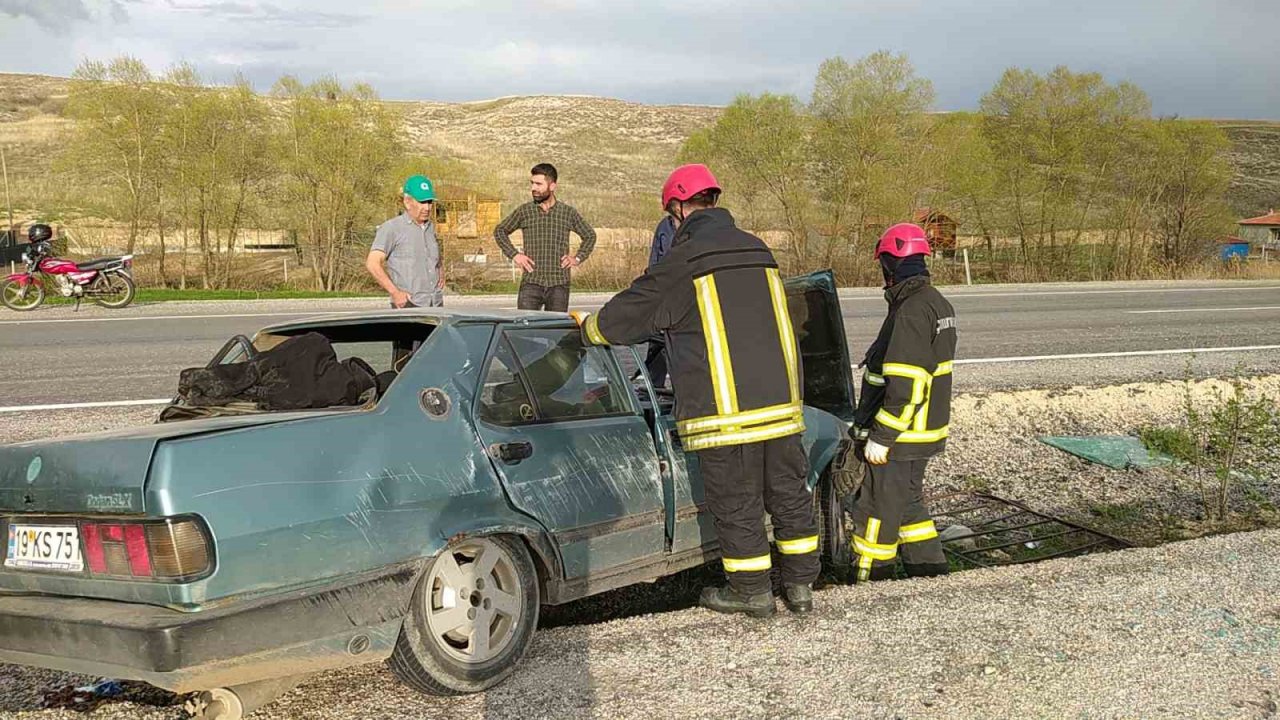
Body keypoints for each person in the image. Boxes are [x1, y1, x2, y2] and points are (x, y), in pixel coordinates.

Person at [575, 164, 819, 618]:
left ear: (678, 208)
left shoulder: (685, 261)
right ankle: (801, 587)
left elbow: (626, 317)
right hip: (783, 407)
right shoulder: (758, 249)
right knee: (789, 493)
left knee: (737, 500)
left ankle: (752, 593)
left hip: (726, 414)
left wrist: (587, 328)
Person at [845, 222, 957, 582]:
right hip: (922, 432)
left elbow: (907, 384)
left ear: (890, 264)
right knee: (909, 505)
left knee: (876, 512)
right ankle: (930, 575)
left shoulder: (910, 310)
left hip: (901, 437)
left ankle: (871, 583)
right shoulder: (934, 302)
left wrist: (881, 437)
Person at [493, 163, 597, 312]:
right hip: (531, 282)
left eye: (538, 184)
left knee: (554, 331)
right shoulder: (525, 211)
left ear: (552, 186)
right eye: (532, 183)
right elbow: (500, 230)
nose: (533, 188)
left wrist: (577, 258)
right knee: (525, 329)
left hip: (559, 284)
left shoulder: (567, 213)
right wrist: (514, 255)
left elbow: (590, 235)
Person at [367, 175, 445, 309]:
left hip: (435, 305)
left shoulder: (431, 228)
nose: (427, 208)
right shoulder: (391, 228)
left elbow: (434, 256)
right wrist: (394, 292)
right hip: (408, 306)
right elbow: (372, 263)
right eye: (422, 202)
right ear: (407, 202)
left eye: (429, 202)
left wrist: (441, 270)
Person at [641, 215, 678, 387]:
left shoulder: (701, 228)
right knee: (656, 341)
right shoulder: (664, 225)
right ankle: (655, 387)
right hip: (664, 291)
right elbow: (655, 259)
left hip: (689, 293)